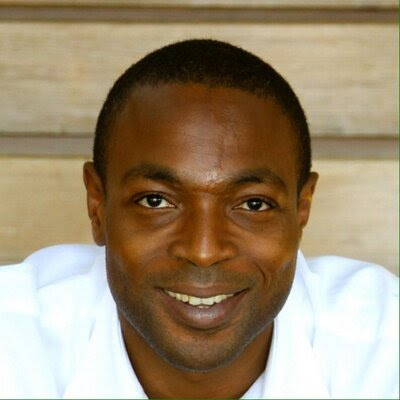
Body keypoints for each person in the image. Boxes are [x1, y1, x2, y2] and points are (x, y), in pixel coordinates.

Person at [0, 39, 398, 399]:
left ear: (302, 208)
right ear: (97, 205)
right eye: (156, 201)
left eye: (253, 205)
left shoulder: (382, 348)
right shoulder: (14, 341)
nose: (203, 251)